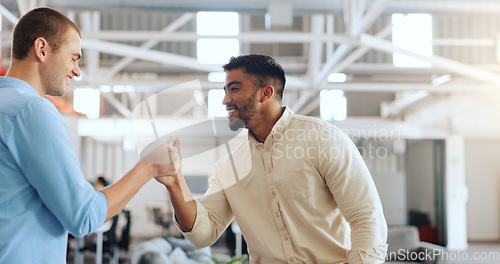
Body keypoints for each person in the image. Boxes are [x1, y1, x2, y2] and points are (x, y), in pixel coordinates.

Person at [155, 54, 388, 263]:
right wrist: (175, 182)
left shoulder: (322, 140)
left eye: (234, 89)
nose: (225, 100)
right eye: (225, 91)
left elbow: (367, 219)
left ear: (265, 93)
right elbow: (203, 234)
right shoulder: (230, 167)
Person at [0, 7, 180, 263]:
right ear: (42, 49)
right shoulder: (32, 110)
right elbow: (83, 216)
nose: (76, 71)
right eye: (73, 58)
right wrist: (149, 166)